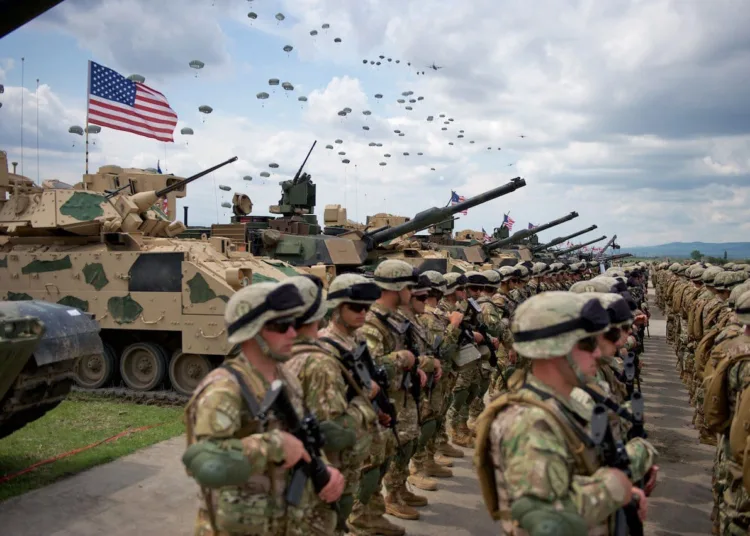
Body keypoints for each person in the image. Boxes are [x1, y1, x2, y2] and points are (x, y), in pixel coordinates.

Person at [475, 291, 653, 535]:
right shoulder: (528, 422)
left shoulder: (562, 405)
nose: (597, 353)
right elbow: (547, 522)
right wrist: (615, 487)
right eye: (588, 344)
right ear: (556, 349)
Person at [182, 281, 345, 536]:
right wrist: (273, 446)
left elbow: (302, 435)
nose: (292, 333)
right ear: (252, 332)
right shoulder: (224, 390)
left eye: (294, 323)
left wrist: (324, 469)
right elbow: (206, 464)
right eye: (281, 326)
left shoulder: (285, 378)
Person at [283, 275, 381, 535]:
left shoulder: (278, 356)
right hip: (321, 469)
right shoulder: (320, 362)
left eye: (366, 308)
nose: (363, 313)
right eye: (356, 307)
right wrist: (364, 402)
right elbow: (334, 434)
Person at [357, 259, 428, 521]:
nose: (412, 292)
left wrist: (415, 366)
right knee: (373, 463)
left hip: (399, 395)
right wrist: (402, 359)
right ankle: (361, 517)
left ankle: (380, 506)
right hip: (380, 402)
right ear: (396, 288)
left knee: (390, 454)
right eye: (408, 287)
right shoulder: (372, 322)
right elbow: (369, 368)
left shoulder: (393, 318)